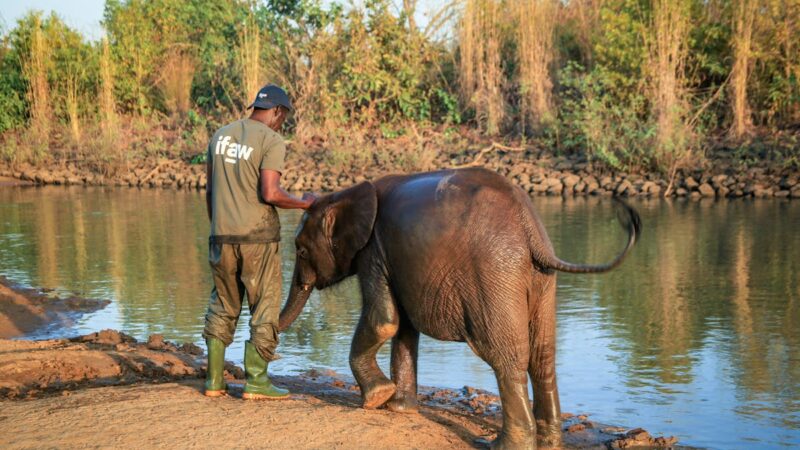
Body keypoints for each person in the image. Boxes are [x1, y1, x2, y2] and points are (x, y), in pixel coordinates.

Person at [202, 84, 315, 399]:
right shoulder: (271, 139)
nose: (283, 123)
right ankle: (256, 382)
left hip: (220, 235)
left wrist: (217, 225)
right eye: (284, 117)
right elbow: (271, 193)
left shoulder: (220, 136)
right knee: (264, 306)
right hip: (258, 238)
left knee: (222, 305)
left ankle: (214, 382)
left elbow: (210, 192)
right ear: (277, 111)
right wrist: (306, 203)